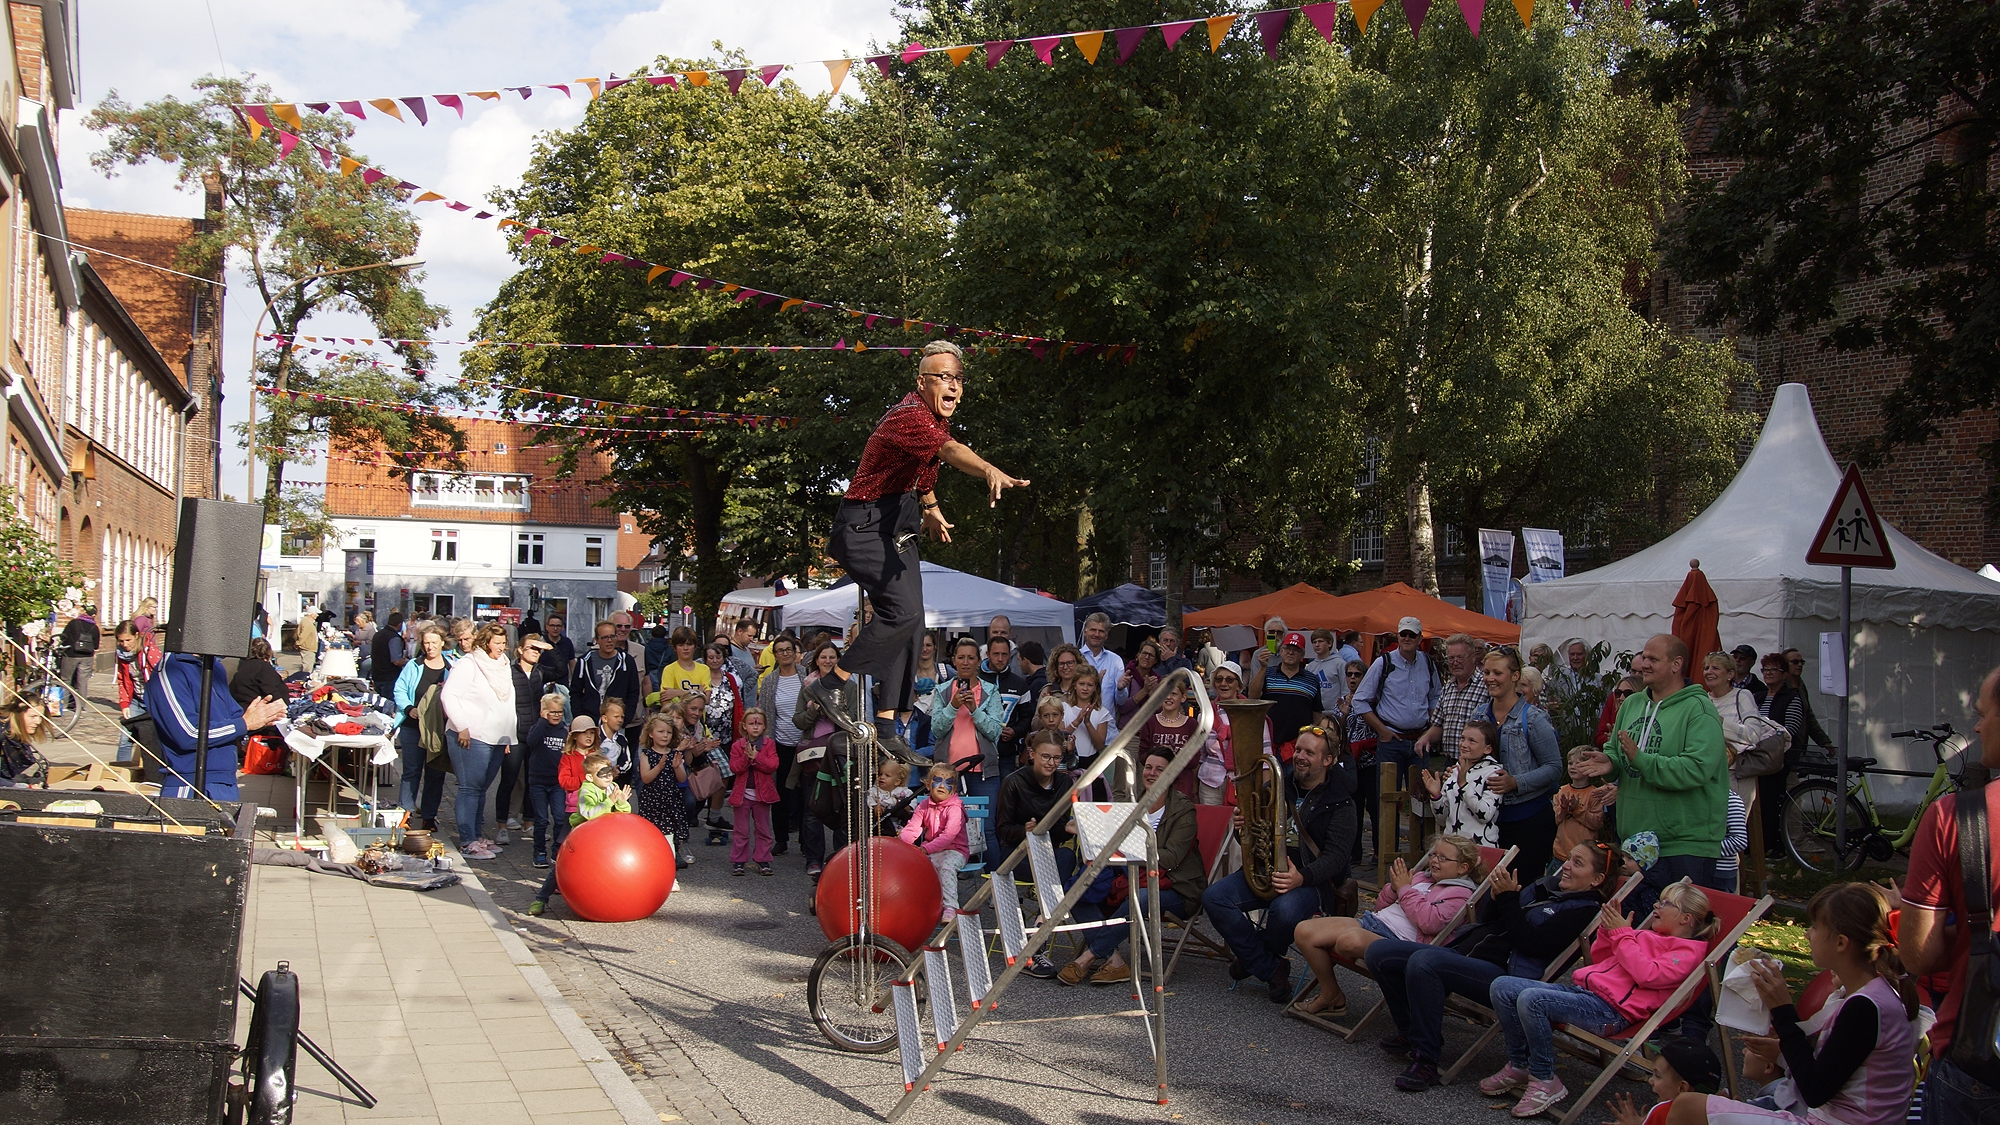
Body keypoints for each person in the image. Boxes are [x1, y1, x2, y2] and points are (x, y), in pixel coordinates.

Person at [808, 342, 1028, 758]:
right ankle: (830, 684)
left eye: (958, 379)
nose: (954, 386)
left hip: (899, 522)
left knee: (913, 624)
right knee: (901, 613)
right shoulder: (909, 415)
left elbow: (922, 470)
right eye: (944, 378)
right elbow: (948, 452)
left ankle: (889, 725)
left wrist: (930, 507)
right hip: (864, 524)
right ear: (922, 383)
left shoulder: (931, 423)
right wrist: (988, 470)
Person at [1370, 842, 1622, 1092]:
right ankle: (1410, 1029)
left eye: (1577, 863)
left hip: (1506, 977)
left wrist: (1509, 899)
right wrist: (1494, 897)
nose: (1565, 866)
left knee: (1425, 962)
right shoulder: (1545, 887)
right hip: (1468, 954)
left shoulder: (1583, 910)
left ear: (1597, 879)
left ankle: (1426, 1060)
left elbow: (1533, 944)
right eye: (1568, 859)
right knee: (1379, 952)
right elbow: (1487, 920)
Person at [1669, 883, 1924, 1125]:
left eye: (1814, 927)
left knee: (1687, 1108)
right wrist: (1782, 1050)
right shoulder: (1869, 994)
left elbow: (1814, 1090)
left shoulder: (1866, 1007)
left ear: (1841, 943)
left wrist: (1783, 1011)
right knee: (1688, 1106)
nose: (1807, 933)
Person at [1482, 881, 1719, 1117]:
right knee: (1503, 986)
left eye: (1666, 903)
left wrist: (1623, 934)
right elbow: (1604, 960)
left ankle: (1544, 1078)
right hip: (1589, 995)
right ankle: (1521, 1064)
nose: (1656, 904)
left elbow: (1647, 974)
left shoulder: (1686, 953)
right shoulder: (1647, 935)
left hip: (1612, 1011)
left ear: (1686, 918)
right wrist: (1607, 932)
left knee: (1532, 999)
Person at [1897, 662, 2000, 1124]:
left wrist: (1977, 933)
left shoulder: (1956, 817)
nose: (1976, 725)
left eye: (1983, 712)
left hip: (1978, 1055)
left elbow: (1919, 955)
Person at [1573, 634, 1729, 916]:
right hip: (1635, 845)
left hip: (1684, 845)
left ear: (1676, 664)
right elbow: (1617, 749)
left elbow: (1696, 769)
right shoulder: (1632, 705)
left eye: (1652, 659)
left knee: (1681, 934)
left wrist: (1640, 759)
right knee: (1636, 932)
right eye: (1643, 657)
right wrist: (1610, 761)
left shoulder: (1699, 709)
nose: (1643, 664)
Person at [1201, 726, 1356, 1002]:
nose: (1300, 756)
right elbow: (1251, 838)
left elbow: (1337, 857)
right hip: (1266, 870)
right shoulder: (1276, 785)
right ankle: (1270, 967)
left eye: (1310, 752)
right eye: (1298, 750)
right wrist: (1242, 827)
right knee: (1214, 897)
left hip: (1311, 883)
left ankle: (1253, 960)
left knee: (1283, 912)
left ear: (1327, 760)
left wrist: (1302, 878)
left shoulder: (1341, 801)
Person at [1059, 745, 1209, 986]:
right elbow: (1113, 843)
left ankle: (1088, 957)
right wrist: (1087, 831)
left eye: (1160, 769)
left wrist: (1128, 850)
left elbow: (1171, 857)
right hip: (1132, 876)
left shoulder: (1183, 809)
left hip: (1176, 887)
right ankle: (1115, 961)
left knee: (1140, 896)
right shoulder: (1134, 803)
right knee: (1078, 889)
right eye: (1148, 767)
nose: (1151, 773)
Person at [1293, 835, 1485, 1016]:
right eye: (1434, 854)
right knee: (1305, 930)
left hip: (1399, 942)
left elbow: (1430, 922)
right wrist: (1393, 889)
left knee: (1347, 941)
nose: (1434, 860)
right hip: (1374, 923)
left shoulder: (1460, 894)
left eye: (1443, 858)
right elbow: (1381, 906)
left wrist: (1404, 889)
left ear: (1462, 868)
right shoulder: (1422, 878)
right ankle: (1331, 993)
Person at [1476, 647, 1566, 878]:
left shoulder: (1534, 719)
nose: (1490, 678)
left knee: (1520, 888)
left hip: (1529, 819)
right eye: (1487, 672)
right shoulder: (1478, 716)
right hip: (1487, 819)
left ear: (1515, 676)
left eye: (1497, 672)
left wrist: (1515, 782)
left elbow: (1554, 768)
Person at [148, 653, 286, 800]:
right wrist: (244, 723)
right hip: (190, 783)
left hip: (225, 782)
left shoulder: (215, 666)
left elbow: (234, 717)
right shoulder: (170, 670)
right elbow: (188, 734)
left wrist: (259, 718)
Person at [999, 730, 1075, 981]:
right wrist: (1025, 831)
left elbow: (1063, 830)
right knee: (1058, 863)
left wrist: (1062, 828)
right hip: (1017, 855)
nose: (1051, 763)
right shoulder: (1013, 782)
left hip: (1050, 854)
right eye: (1046, 757)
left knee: (1066, 857)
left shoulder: (1064, 783)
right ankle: (1039, 937)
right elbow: (1002, 829)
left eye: (1056, 758)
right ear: (1031, 755)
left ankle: (1040, 927)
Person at [441, 623, 516, 860]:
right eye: (497, 643)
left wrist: (508, 735)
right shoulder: (468, 663)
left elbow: (507, 703)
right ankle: (467, 841)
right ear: (485, 642)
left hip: (497, 736)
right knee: (470, 788)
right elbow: (449, 695)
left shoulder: (504, 666)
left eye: (504, 644)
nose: (501, 648)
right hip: (471, 735)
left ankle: (477, 835)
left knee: (482, 788)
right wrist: (462, 726)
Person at [528, 750, 630, 917]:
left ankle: (607, 900)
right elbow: (588, 814)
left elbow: (622, 813)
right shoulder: (586, 790)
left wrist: (622, 802)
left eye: (609, 772)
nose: (607, 777)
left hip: (604, 838)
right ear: (590, 777)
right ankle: (541, 898)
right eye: (602, 773)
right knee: (561, 867)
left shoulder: (613, 787)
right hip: (583, 836)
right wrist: (609, 801)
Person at [931, 635, 1007, 859]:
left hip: (984, 773)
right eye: (961, 657)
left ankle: (994, 883)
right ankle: (953, 878)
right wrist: (952, 707)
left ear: (978, 661)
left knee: (987, 830)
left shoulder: (990, 691)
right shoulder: (942, 691)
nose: (965, 662)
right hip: (949, 773)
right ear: (954, 660)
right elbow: (936, 729)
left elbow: (995, 731)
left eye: (970, 658)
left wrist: (974, 709)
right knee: (949, 830)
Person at [795, 640, 865, 876]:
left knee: (843, 806)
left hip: (841, 754)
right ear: (816, 660)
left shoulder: (851, 688)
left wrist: (836, 710)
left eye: (832, 657)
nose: (827, 661)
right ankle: (813, 859)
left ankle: (840, 859)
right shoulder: (809, 687)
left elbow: (856, 720)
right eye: (823, 657)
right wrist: (814, 710)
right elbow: (798, 720)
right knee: (811, 808)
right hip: (813, 754)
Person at [1353, 616, 1442, 793]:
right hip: (1391, 742)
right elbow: (1359, 700)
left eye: (1412, 635)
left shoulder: (1428, 663)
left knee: (1421, 797)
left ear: (1419, 639)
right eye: (1403, 634)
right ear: (1398, 636)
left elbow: (1435, 696)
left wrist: (1432, 727)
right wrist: (1382, 730)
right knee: (1386, 797)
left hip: (1420, 740)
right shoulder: (1383, 663)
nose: (1407, 638)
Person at [393, 623, 457, 829]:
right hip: (413, 725)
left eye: (434, 643)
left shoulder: (451, 668)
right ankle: (406, 813)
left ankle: (429, 816)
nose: (430, 647)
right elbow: (400, 690)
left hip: (437, 728)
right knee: (411, 770)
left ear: (442, 643)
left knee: (435, 772)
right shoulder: (414, 665)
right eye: (426, 643)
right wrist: (409, 707)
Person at [1413, 720, 1507, 845]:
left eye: (1472, 741)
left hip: (1478, 848)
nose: (1464, 744)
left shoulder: (1493, 774)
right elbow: (1442, 819)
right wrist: (1436, 796)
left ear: (1487, 748)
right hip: (1452, 847)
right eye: (1462, 738)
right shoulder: (1455, 770)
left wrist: (1464, 785)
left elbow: (1485, 815)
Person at [757, 635, 809, 856]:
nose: (785, 653)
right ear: (775, 654)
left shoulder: (806, 677)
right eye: (780, 650)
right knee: (780, 792)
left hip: (805, 742)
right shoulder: (770, 681)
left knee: (805, 793)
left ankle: (807, 841)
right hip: (780, 742)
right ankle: (781, 838)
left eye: (789, 649)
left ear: (795, 652)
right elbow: (768, 713)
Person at [498, 634, 553, 843]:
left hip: (535, 734)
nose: (535, 652)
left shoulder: (539, 673)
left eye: (538, 650)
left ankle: (529, 823)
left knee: (533, 781)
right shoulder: (510, 672)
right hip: (514, 734)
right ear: (520, 650)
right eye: (531, 648)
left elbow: (561, 670)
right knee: (508, 780)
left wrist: (548, 648)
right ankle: (502, 825)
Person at [900, 761, 971, 921]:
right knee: (916, 868)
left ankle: (950, 907)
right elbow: (913, 828)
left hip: (956, 850)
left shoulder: (955, 808)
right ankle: (920, 906)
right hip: (932, 851)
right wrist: (902, 842)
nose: (941, 785)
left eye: (948, 782)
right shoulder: (924, 805)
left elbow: (948, 836)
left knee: (946, 868)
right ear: (928, 784)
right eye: (937, 780)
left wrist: (927, 849)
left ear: (953, 789)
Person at [1757, 651, 1808, 856]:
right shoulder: (1757, 697)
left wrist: (1764, 737)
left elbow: (1789, 730)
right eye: (1765, 669)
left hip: (1781, 758)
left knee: (1776, 801)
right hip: (1758, 758)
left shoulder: (1792, 699)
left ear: (1784, 674)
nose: (1768, 673)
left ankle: (1777, 845)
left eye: (1773, 669)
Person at [1604, 1038, 1723, 1125]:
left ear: (1682, 1088)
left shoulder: (1664, 1113)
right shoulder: (1720, 1115)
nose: (1650, 1080)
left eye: (1658, 1076)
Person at [1702, 652, 1765, 818]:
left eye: (1716, 668)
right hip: (1706, 773)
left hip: (1735, 774)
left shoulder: (1742, 696)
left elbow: (1753, 735)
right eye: (1706, 668)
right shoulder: (1703, 701)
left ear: (1730, 674)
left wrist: (1720, 724)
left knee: (1731, 830)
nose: (1709, 671)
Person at [1416, 634, 1489, 771]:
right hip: (1450, 764)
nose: (1455, 662)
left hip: (1477, 765)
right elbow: (1438, 725)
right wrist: (1425, 738)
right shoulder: (1448, 687)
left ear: (1473, 657)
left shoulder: (1486, 685)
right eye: (1451, 658)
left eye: (1460, 657)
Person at [1205, 660, 1270, 806]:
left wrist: (1265, 789)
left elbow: (1266, 756)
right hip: (1210, 783)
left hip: (1243, 782)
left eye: (1229, 679)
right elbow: (1200, 756)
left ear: (1239, 686)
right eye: (1219, 679)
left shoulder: (1253, 714)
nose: (1223, 683)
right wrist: (1195, 790)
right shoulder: (1206, 713)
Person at [634, 711, 693, 867]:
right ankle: (649, 868)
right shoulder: (646, 754)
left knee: (668, 839)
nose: (665, 735)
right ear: (651, 734)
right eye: (661, 731)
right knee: (650, 837)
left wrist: (676, 767)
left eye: (668, 732)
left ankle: (669, 873)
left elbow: (682, 779)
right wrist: (659, 767)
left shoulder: (674, 754)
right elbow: (645, 778)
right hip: (652, 803)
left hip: (670, 803)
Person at [1250, 630, 1323, 750]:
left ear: (1302, 655)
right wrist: (1263, 667)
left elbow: (1317, 713)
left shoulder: (1312, 680)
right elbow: (1253, 696)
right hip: (1269, 742)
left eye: (1296, 650)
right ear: (1281, 651)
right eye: (1287, 648)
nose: (1291, 652)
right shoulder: (1267, 673)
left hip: (1298, 745)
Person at [727, 709, 779, 877]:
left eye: (759, 724)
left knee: (763, 828)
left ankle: (763, 859)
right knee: (741, 830)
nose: (755, 727)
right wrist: (746, 757)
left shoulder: (769, 744)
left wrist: (756, 757)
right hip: (742, 795)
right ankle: (738, 861)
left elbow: (772, 765)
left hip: (762, 795)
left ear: (764, 726)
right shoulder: (737, 746)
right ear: (744, 726)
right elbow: (735, 768)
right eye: (751, 724)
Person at [569, 622, 641, 743]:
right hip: (590, 722)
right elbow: (575, 692)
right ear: (597, 640)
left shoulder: (626, 661)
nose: (609, 641)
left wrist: (625, 718)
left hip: (616, 723)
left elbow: (633, 691)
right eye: (604, 637)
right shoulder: (584, 661)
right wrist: (580, 717)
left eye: (612, 636)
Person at [522, 693, 571, 868]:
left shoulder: (564, 731)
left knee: (559, 818)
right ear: (543, 712)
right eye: (552, 712)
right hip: (538, 781)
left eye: (559, 712)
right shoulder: (538, 728)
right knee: (541, 819)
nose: (556, 715)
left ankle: (557, 850)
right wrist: (542, 721)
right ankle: (539, 851)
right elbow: (531, 741)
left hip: (557, 782)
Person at [1134, 680, 1201, 799]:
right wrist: (1158, 754)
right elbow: (1142, 756)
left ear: (1183, 697)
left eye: (1174, 694)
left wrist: (1174, 756)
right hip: (1155, 784)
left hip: (1182, 785)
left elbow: (1195, 761)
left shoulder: (1191, 724)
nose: (1168, 697)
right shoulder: (1151, 722)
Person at [1551, 748, 1618, 864]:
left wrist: (1577, 810)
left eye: (1579, 763)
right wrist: (1563, 809)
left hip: (1585, 855)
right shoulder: (1560, 791)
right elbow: (1555, 820)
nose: (1573, 766)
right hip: (1561, 853)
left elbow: (1597, 823)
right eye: (1571, 763)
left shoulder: (1595, 793)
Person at [112, 619, 162, 763]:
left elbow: (162, 674)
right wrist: (124, 703)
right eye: (121, 641)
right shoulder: (121, 655)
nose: (125, 644)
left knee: (154, 739)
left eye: (128, 640)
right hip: (136, 700)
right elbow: (122, 680)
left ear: (136, 635)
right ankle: (122, 771)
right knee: (125, 737)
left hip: (153, 701)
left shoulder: (149, 651)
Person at [1077, 612, 1127, 718]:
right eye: (1093, 630)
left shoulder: (1116, 660)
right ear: (1085, 632)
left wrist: (1120, 689)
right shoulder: (1075, 658)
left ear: (1106, 636)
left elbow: (1121, 702)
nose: (1096, 634)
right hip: (1079, 725)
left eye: (1101, 631)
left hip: (1108, 729)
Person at [1115, 639, 1165, 727]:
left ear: (1156, 661)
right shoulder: (1127, 675)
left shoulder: (1156, 681)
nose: (1146, 657)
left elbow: (1160, 710)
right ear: (1138, 656)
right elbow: (1122, 708)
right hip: (1127, 731)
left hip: (1148, 732)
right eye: (1144, 653)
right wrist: (1145, 691)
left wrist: (1153, 696)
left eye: (1151, 655)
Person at [56, 604, 100, 703]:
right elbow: (96, 646)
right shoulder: (95, 627)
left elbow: (64, 636)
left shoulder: (74, 623)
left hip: (71, 654)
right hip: (87, 656)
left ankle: (64, 704)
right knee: (83, 681)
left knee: (66, 680)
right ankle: (81, 706)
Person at [1, 699, 49, 786]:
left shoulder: (12, 733)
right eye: (32, 716)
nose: (38, 722)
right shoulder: (3, 735)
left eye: (40, 717)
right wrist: (20, 786)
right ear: (18, 715)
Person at [867, 756, 916, 836]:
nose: (881, 777)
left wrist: (909, 807)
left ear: (897, 782)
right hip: (883, 823)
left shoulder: (903, 791)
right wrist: (875, 806)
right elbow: (869, 798)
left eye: (887, 775)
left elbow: (913, 799)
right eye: (880, 774)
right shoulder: (875, 791)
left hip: (899, 822)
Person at [1307, 629, 1348, 715]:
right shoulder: (1310, 667)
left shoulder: (1340, 664)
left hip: (1335, 713)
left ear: (1329, 643)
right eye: (1314, 642)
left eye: (1320, 641)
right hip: (1315, 713)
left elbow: (1345, 690)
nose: (1317, 645)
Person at [370, 610, 407, 699]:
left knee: (378, 703)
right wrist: (408, 661)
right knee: (388, 705)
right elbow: (396, 661)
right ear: (399, 624)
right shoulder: (394, 638)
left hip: (376, 674)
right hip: (389, 677)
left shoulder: (377, 634)